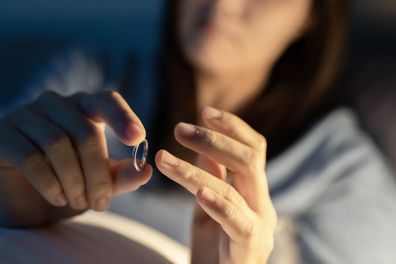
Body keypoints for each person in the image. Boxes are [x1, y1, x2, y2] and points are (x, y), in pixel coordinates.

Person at [0, 0, 396, 263]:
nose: (222, 2)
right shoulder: (84, 81)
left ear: (312, 16)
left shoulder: (345, 177)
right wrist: (10, 199)